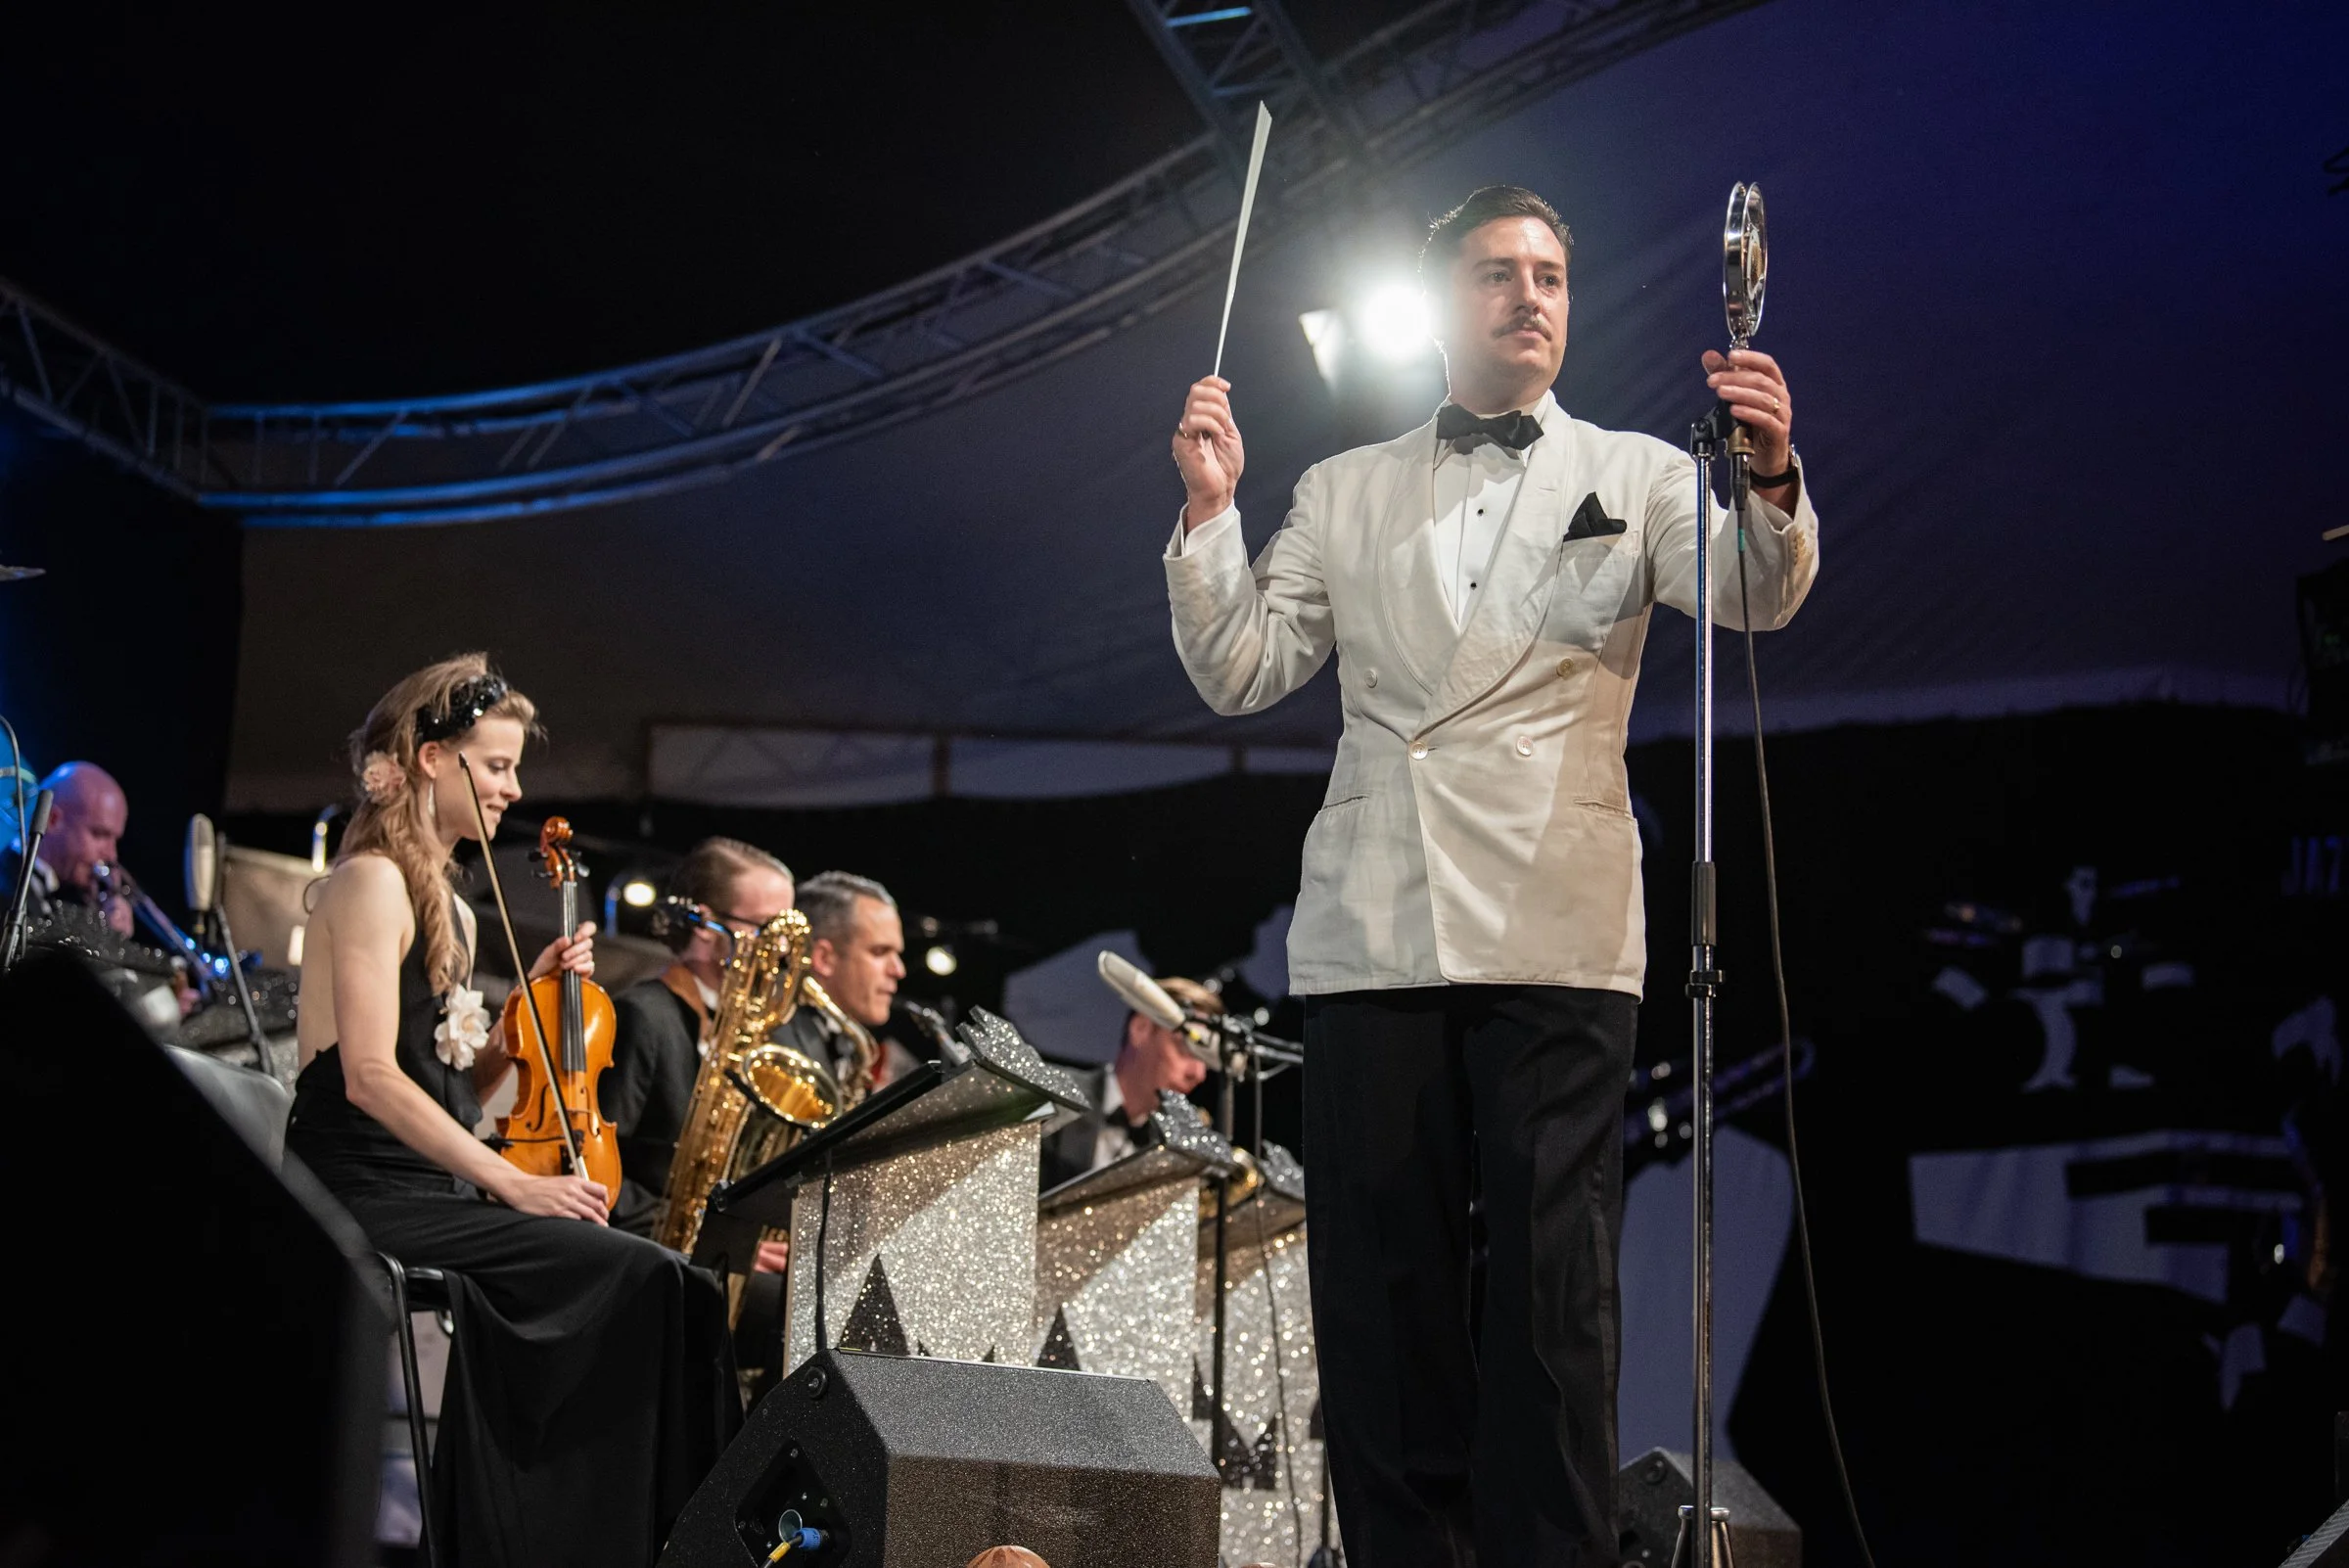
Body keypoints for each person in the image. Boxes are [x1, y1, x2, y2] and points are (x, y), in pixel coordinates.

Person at [1164, 185, 1819, 1565]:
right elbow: (1238, 669)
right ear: (1441, 303)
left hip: (1557, 923)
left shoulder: (1639, 470)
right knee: (1382, 1292)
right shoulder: (1344, 491)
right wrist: (1211, 510)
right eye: (1499, 273)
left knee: (1552, 1296)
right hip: (1376, 924)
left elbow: (1757, 594)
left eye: (1554, 275)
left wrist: (1767, 477)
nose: (1532, 295)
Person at [283, 655, 737, 1568]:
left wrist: (518, 1023)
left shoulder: (454, 905)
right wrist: (512, 1186)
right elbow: (370, 1077)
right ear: (430, 758)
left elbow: (454, 1082)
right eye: (496, 766)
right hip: (361, 1192)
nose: (513, 787)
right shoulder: (370, 881)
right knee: (642, 1280)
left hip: (431, 1189)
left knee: (681, 1285)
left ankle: (644, 1539)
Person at [604, 836, 796, 1263]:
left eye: (785, 933)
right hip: (645, 1260)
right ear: (704, 927)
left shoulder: (762, 1033)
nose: (780, 951)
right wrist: (709, 1244)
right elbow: (597, 1169)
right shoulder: (641, 1015)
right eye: (765, 928)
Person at [1038, 974, 1216, 1189]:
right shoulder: (1050, 1092)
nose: (1199, 1074)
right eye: (1186, 1049)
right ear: (1140, 1028)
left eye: (1207, 1060)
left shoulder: (1174, 1150)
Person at [782, 869, 903, 1090]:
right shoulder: (781, 1045)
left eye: (897, 954)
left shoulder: (846, 1044)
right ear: (824, 958)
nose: (898, 970)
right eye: (879, 952)